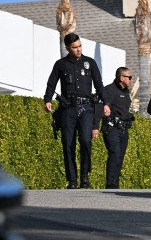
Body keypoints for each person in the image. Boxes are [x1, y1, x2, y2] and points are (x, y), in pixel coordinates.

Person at [44, 33, 109, 189]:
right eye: (74, 47)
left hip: (86, 108)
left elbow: (99, 85)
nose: (78, 49)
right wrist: (47, 99)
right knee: (68, 143)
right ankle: (72, 180)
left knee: (86, 141)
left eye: (80, 46)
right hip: (68, 109)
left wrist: (106, 103)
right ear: (67, 48)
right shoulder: (60, 64)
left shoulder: (90, 63)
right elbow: (51, 83)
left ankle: (84, 177)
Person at [94, 66, 134, 189]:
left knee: (120, 157)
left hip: (123, 129)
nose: (131, 80)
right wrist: (95, 127)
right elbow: (100, 108)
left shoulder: (126, 92)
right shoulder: (109, 90)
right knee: (114, 154)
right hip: (111, 128)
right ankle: (110, 184)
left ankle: (115, 184)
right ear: (122, 78)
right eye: (129, 77)